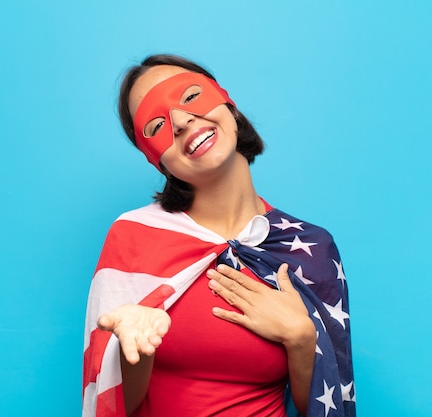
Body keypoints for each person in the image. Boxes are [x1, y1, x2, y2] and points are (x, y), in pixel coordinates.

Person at [82, 54, 355, 417]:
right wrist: (136, 351)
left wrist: (302, 339)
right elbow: (114, 405)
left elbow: (327, 407)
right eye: (155, 125)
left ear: (228, 104)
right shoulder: (133, 237)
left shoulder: (311, 249)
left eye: (190, 96)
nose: (180, 120)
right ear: (156, 159)